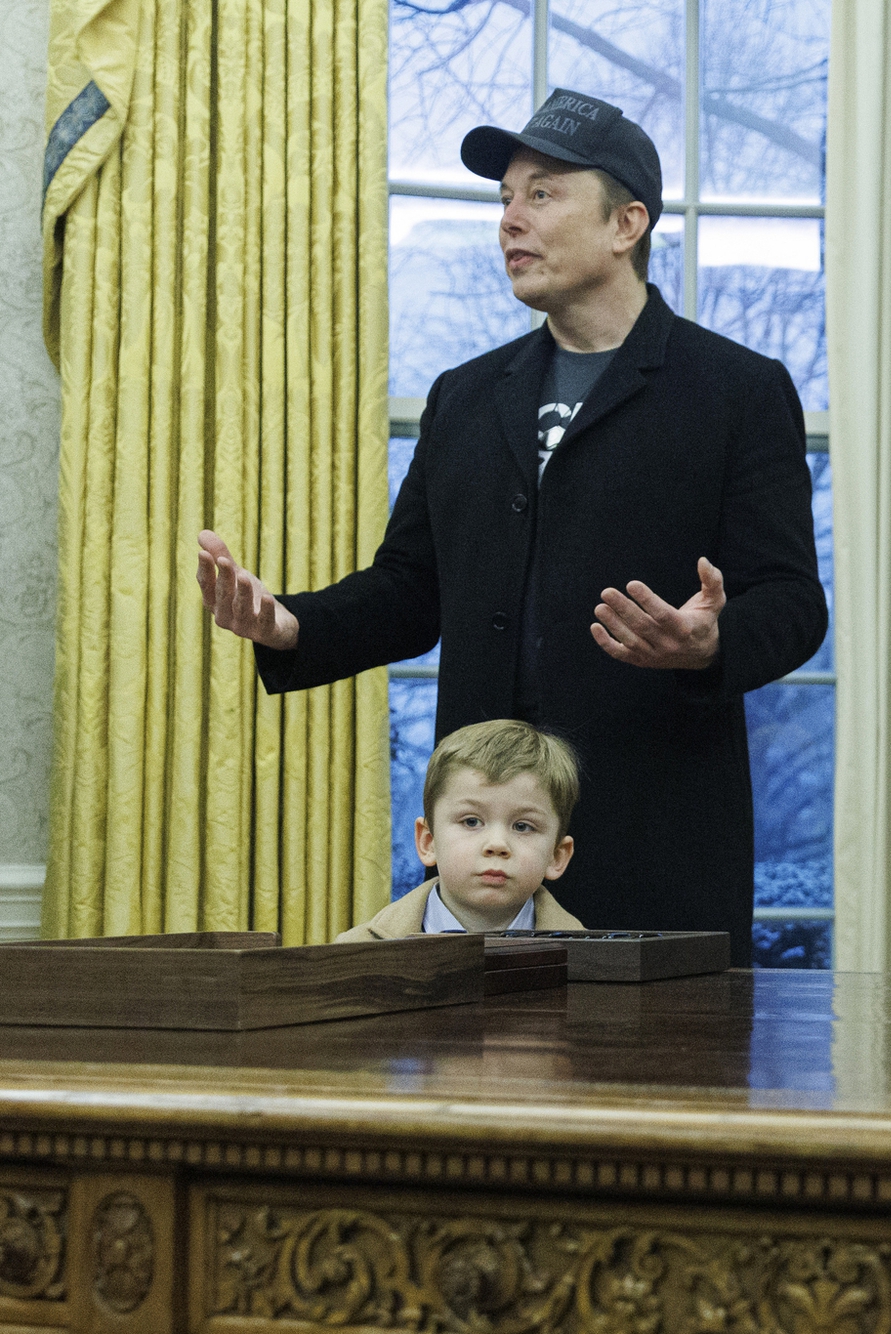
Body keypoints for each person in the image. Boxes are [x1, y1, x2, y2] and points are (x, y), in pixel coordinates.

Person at [196, 89, 827, 964]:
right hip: (483, 862)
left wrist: (710, 643)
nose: (509, 221)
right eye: (503, 199)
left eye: (542, 193)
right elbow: (413, 589)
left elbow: (795, 604)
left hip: (655, 844)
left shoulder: (738, 391)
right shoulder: (465, 395)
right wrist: (296, 625)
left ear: (626, 224)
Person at [338, 719, 588, 941]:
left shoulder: (594, 963)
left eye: (522, 826)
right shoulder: (350, 954)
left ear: (557, 856)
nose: (497, 844)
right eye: (471, 822)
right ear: (428, 842)